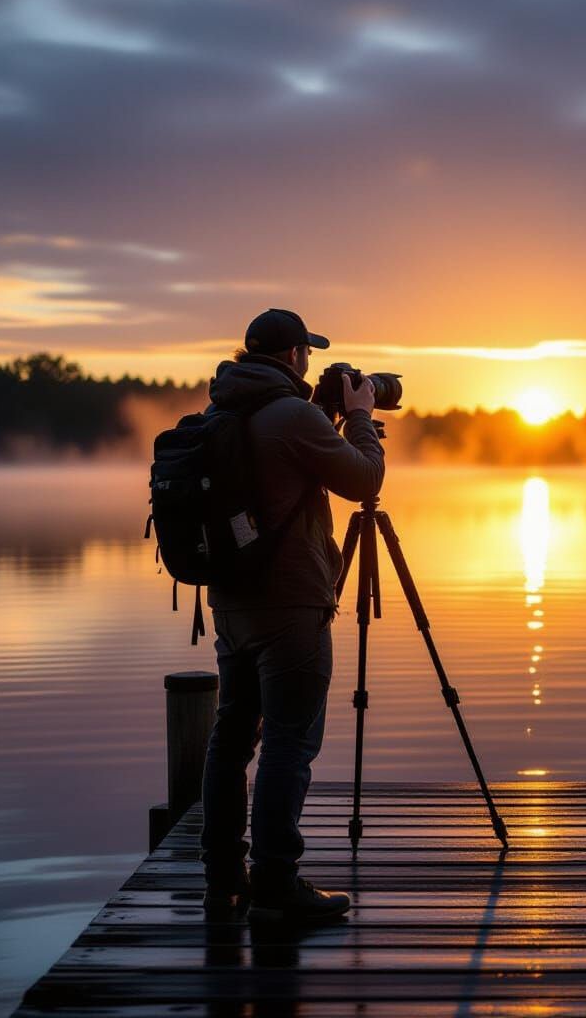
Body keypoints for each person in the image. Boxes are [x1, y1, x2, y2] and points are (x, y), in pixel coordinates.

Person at [199, 307, 384, 922]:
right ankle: (276, 882)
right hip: (291, 605)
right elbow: (362, 480)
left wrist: (330, 420)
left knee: (232, 739)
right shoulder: (293, 415)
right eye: (306, 352)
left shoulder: (221, 411)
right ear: (291, 357)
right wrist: (359, 416)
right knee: (288, 741)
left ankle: (223, 877)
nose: (310, 361)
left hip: (231, 600)